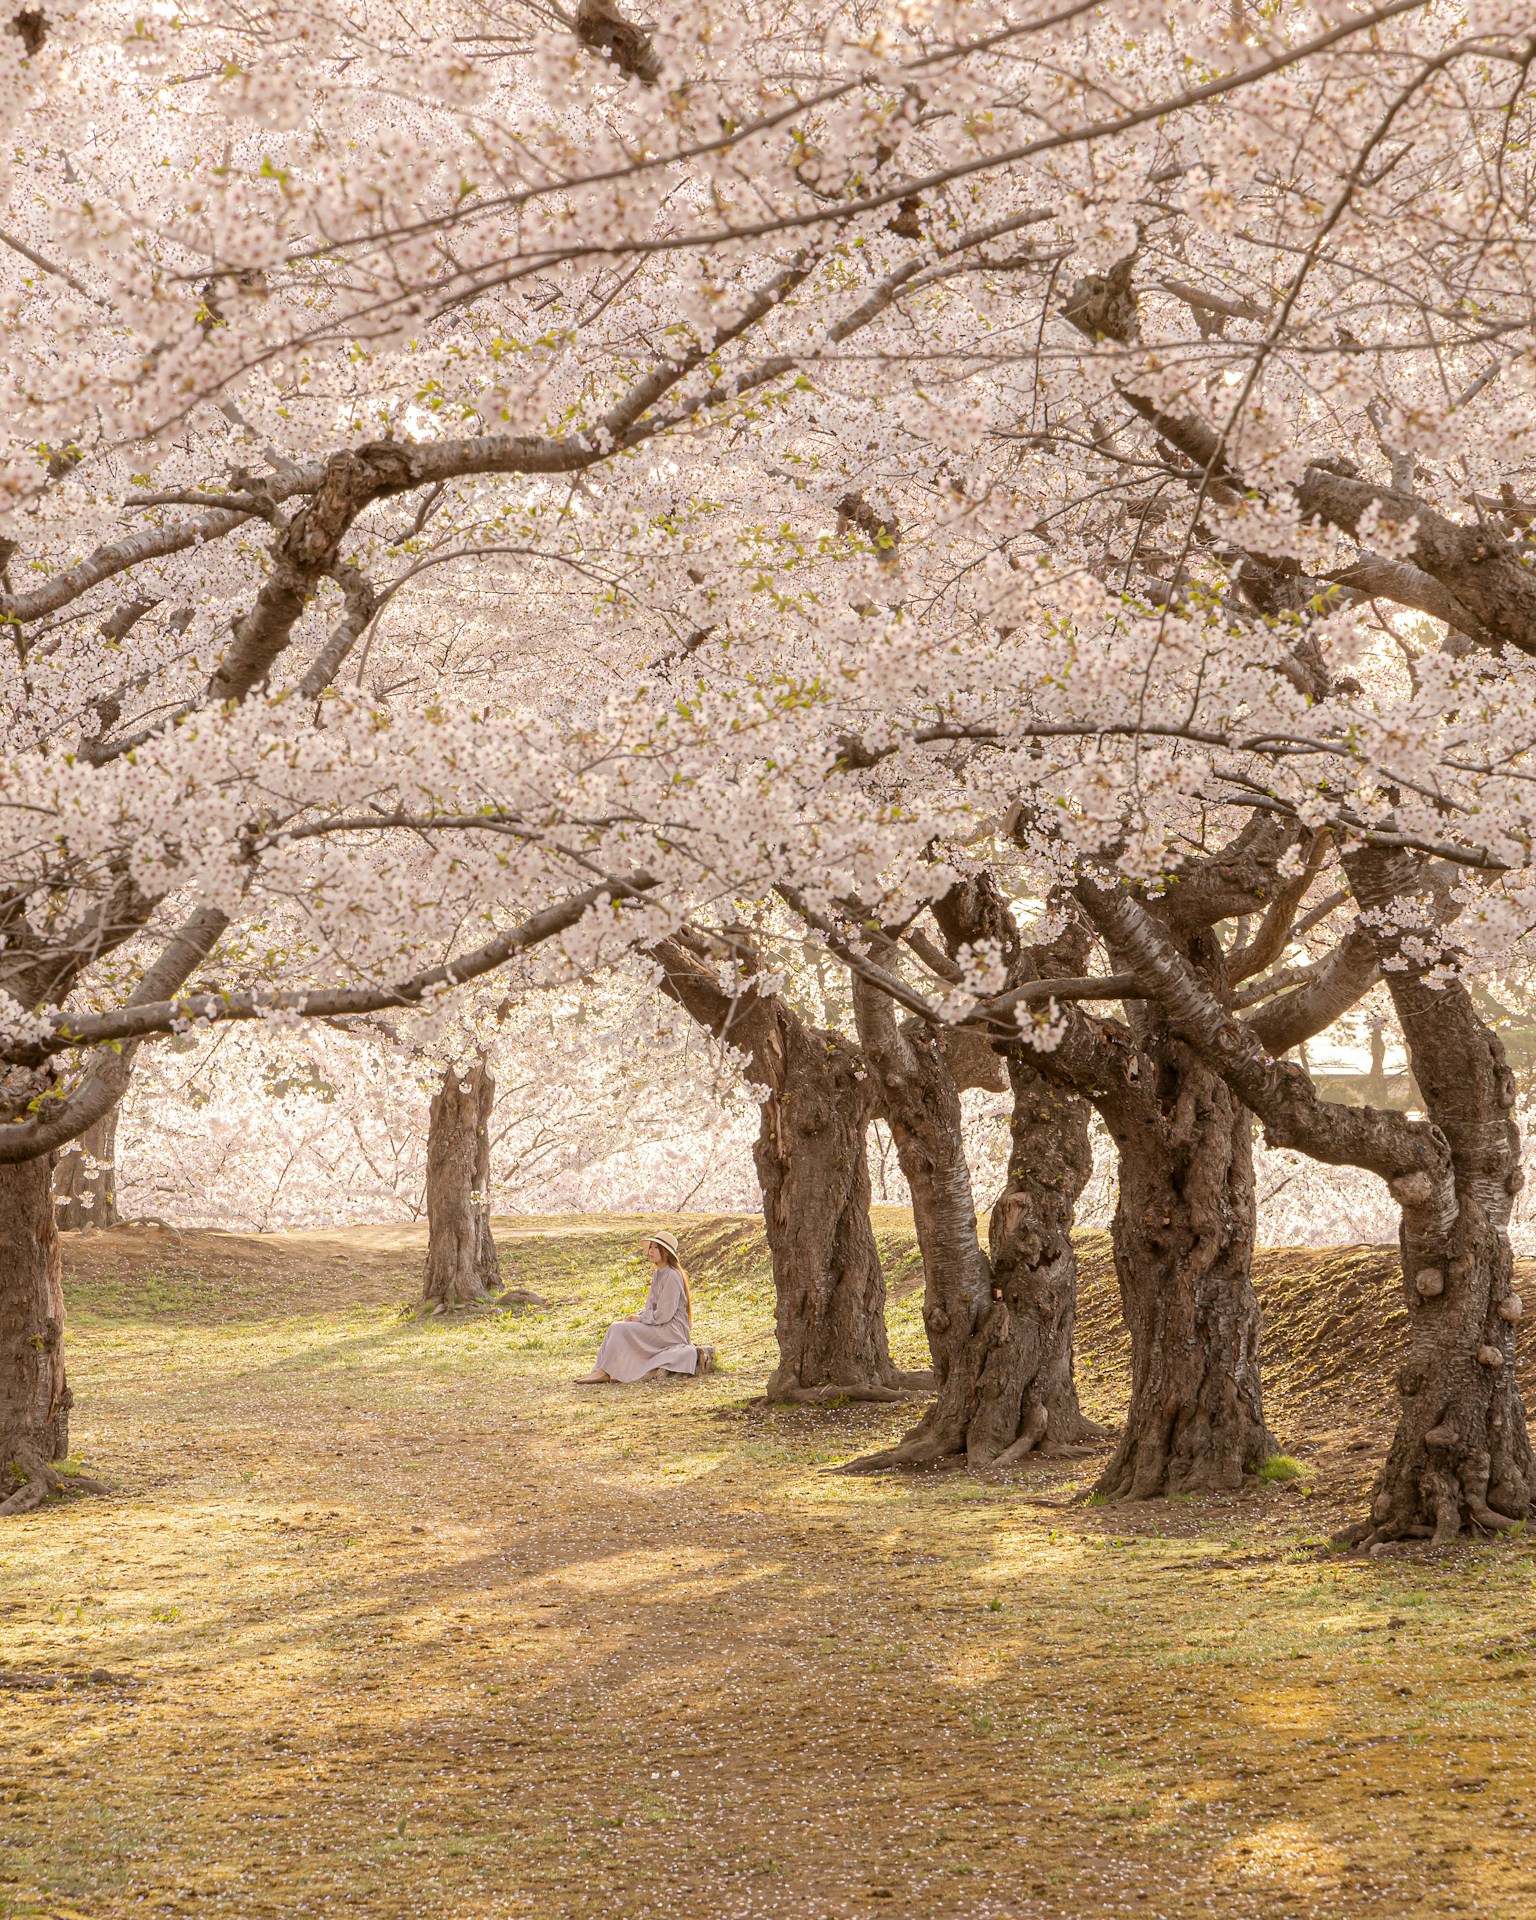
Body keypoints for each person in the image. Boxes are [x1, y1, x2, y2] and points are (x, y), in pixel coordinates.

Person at [574, 1231, 715, 1384]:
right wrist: (637, 1318)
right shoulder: (658, 1274)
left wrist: (641, 1319)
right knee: (616, 1327)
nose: (651, 1251)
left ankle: (606, 1372)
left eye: (656, 1247)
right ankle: (600, 1370)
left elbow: (664, 1315)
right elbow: (651, 1307)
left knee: (618, 1329)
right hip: (660, 1324)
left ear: (666, 1252)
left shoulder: (673, 1276)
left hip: (672, 1330)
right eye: (650, 1247)